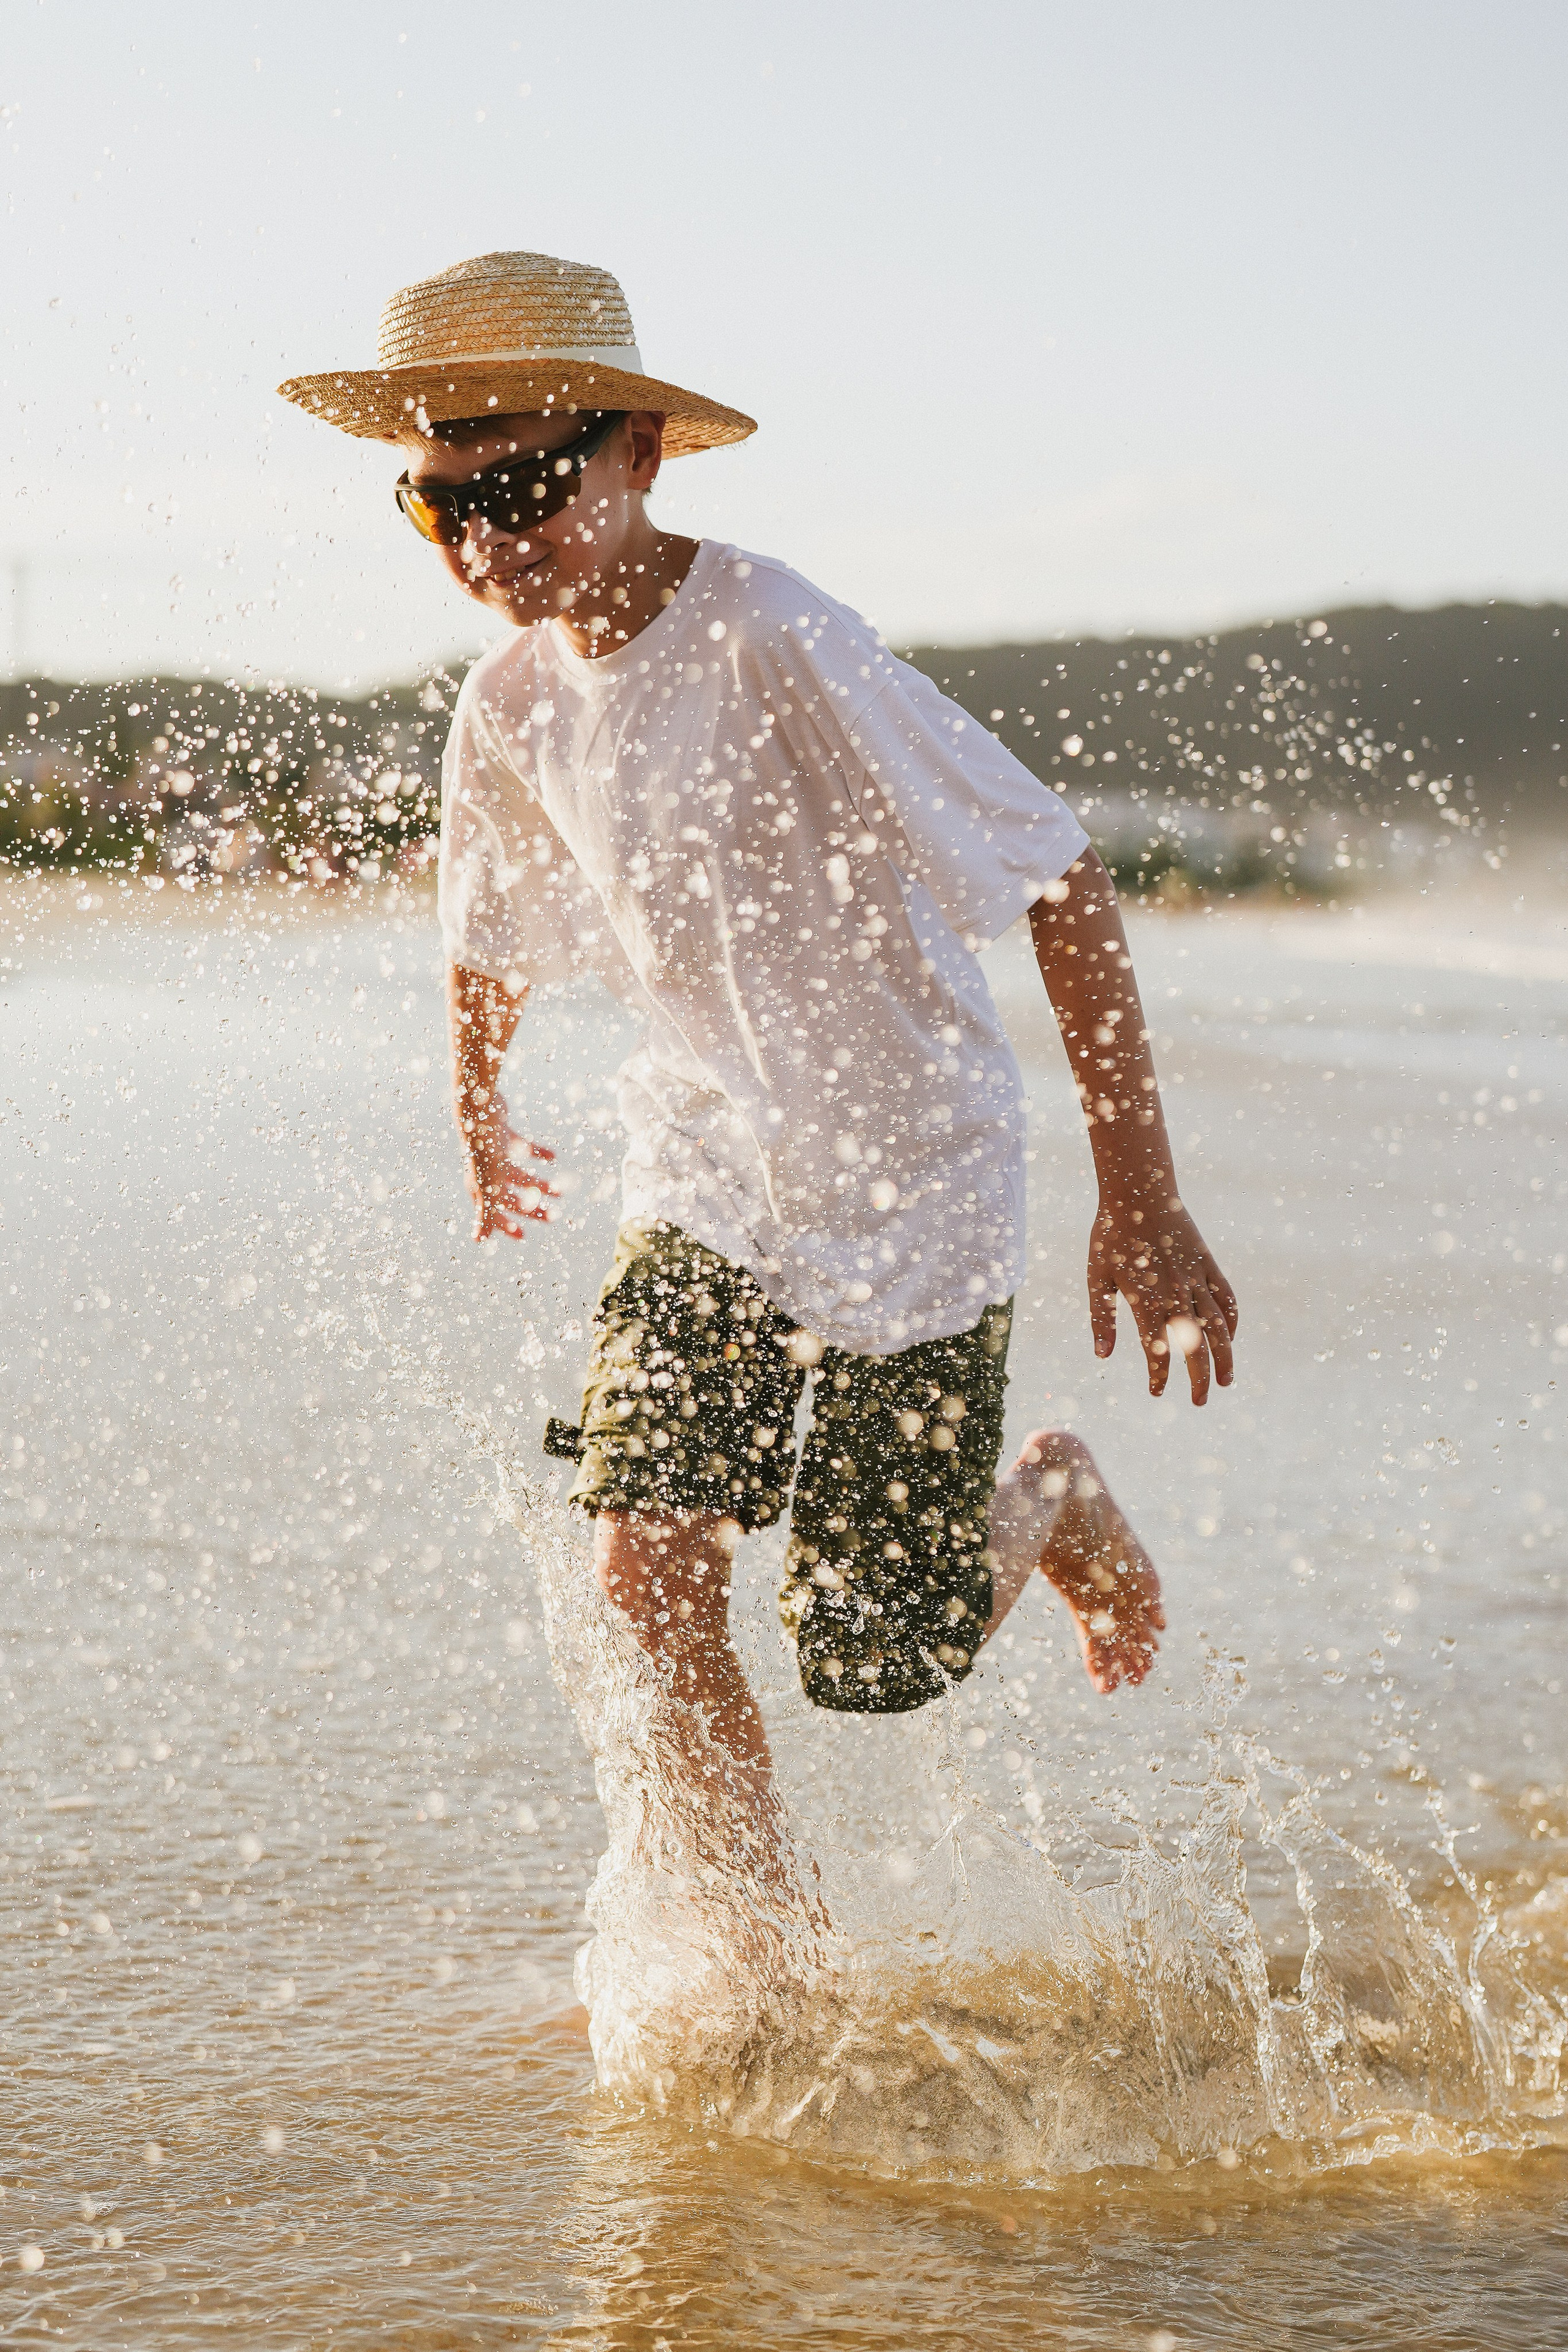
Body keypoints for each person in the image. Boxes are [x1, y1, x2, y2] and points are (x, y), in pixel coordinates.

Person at [279, 249, 1237, 1825]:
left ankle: (1050, 1494)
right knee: (644, 1577)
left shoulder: (772, 632)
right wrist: (474, 1098)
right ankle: (754, 1953)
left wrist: (1140, 1196)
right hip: (706, 1169)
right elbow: (486, 925)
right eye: (437, 507)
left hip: (911, 1173)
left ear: (640, 453)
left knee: (876, 1654)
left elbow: (1059, 874)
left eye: (521, 488)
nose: (486, 542)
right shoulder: (505, 699)